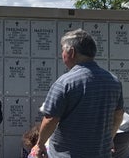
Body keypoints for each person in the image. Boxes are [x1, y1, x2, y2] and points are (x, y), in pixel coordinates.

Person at [32, 29, 123, 158]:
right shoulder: (113, 81)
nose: (62, 54)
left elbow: (51, 119)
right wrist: (109, 139)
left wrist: (40, 144)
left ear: (72, 52)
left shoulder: (65, 82)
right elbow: (118, 115)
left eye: (63, 50)